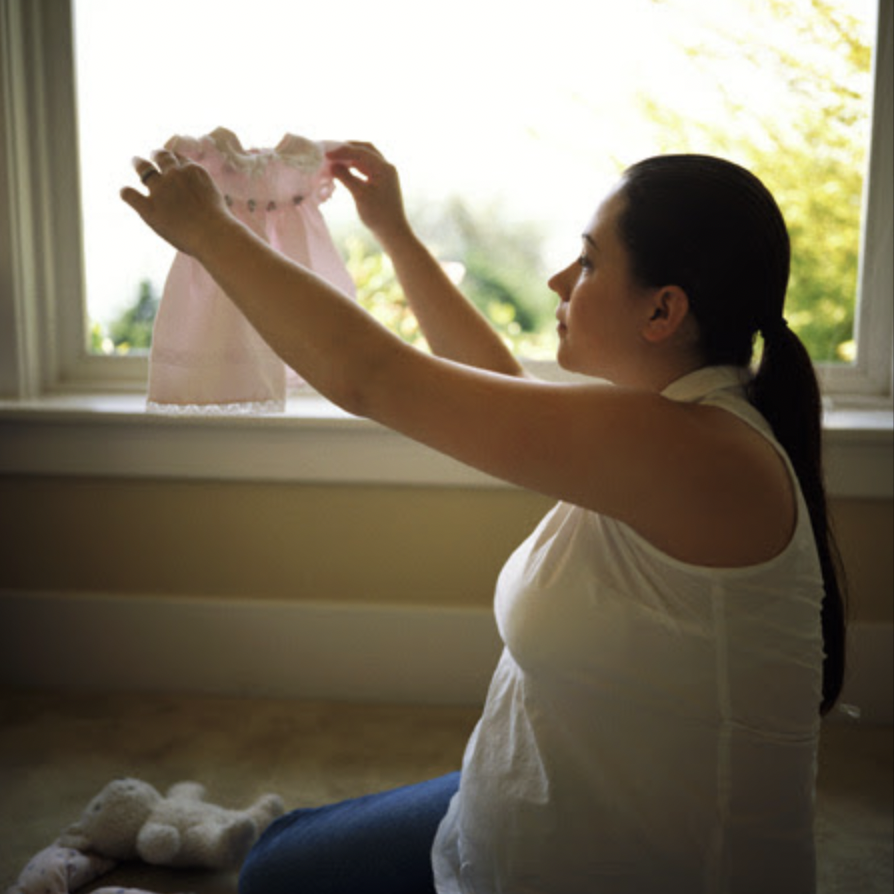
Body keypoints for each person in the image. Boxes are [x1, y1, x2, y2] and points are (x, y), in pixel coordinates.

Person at [122, 143, 846, 894]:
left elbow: (373, 378)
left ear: (663, 309)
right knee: (280, 857)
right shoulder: (672, 424)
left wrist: (209, 231)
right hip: (519, 802)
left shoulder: (699, 455)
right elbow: (492, 384)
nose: (559, 280)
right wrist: (394, 232)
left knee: (274, 879)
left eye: (588, 263)